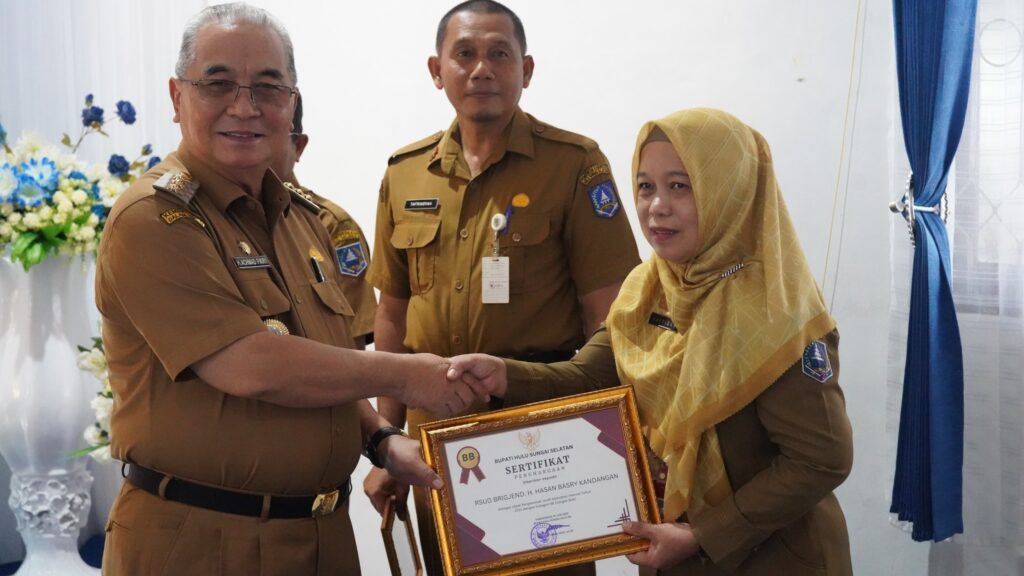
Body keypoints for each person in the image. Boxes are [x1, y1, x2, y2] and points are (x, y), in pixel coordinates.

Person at [94, 4, 488, 574]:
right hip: (203, 540)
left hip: (321, 536)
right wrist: (405, 375)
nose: (245, 106)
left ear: (291, 102)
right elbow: (251, 365)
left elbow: (324, 370)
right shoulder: (154, 219)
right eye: (218, 84)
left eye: (268, 87)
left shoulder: (301, 219)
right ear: (177, 97)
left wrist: (381, 439)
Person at [448, 108, 854, 575]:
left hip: (772, 560)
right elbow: (590, 376)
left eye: (680, 186)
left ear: (729, 191)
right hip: (672, 556)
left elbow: (822, 459)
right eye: (645, 187)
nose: (656, 206)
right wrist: (503, 374)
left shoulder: (778, 313)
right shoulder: (646, 290)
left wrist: (703, 535)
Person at [363, 1, 640, 574]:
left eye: (499, 54)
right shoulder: (404, 172)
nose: (481, 69)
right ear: (437, 70)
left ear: (526, 69)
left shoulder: (574, 164)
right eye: (464, 54)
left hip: (539, 437)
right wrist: (387, 438)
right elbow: (391, 314)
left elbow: (611, 318)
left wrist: (607, 438)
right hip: (436, 441)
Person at [272, 96, 376, 347]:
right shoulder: (215, 220)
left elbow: (353, 340)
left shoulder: (331, 225)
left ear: (298, 146)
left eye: (269, 138)